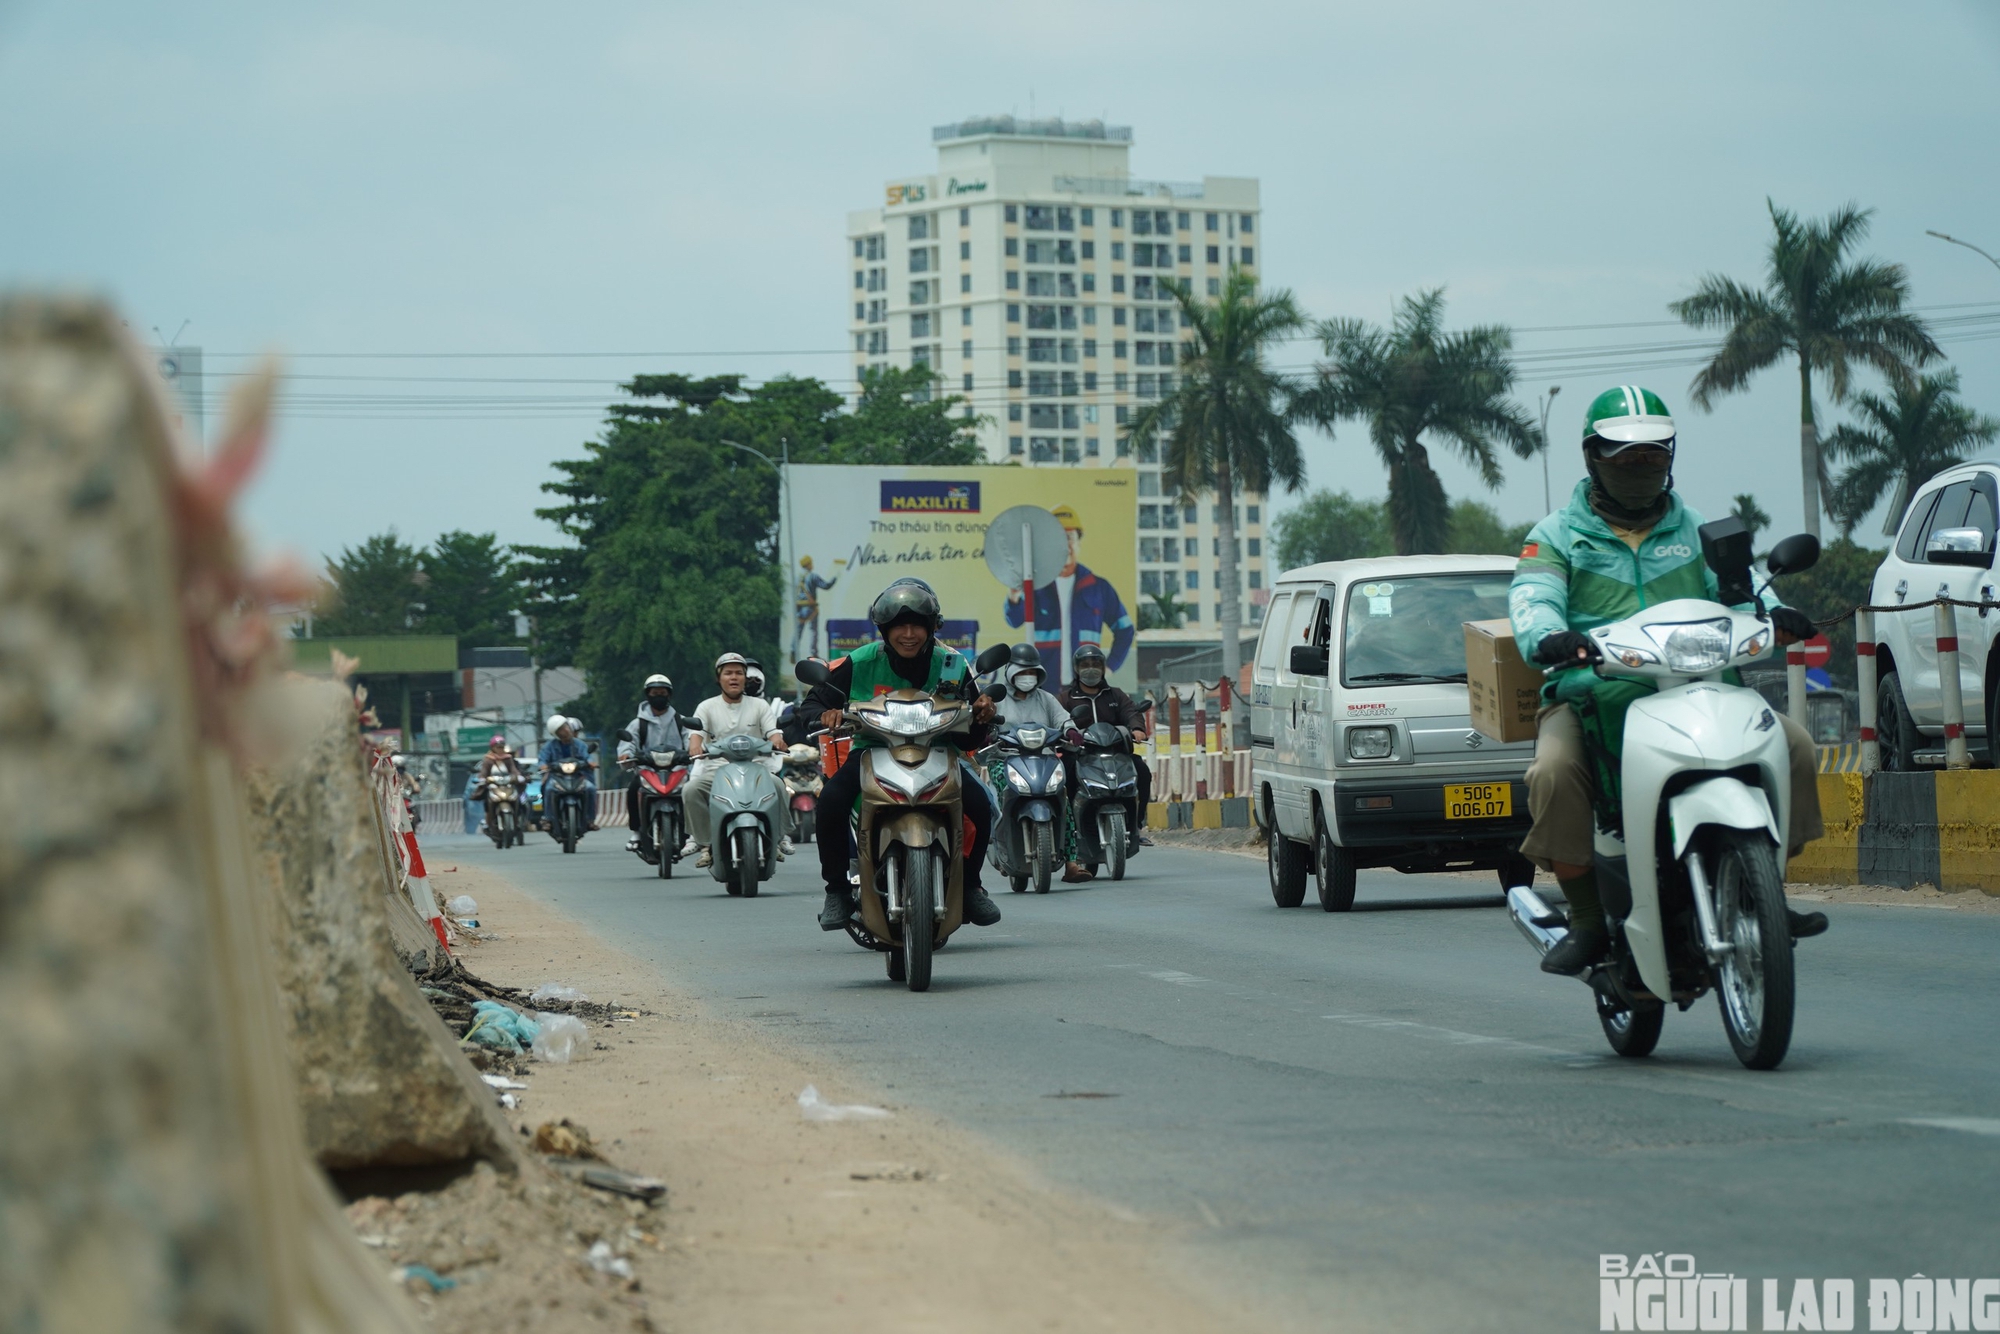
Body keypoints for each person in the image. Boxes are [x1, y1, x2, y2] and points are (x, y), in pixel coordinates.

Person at [1510, 385, 1830, 977]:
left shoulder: (1699, 528)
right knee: (1552, 775)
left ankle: (1766, 891)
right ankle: (1584, 921)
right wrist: (1550, 638)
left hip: (1703, 688)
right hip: (1592, 693)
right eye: (1625, 457)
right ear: (1592, 457)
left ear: (1670, 457)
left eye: (1652, 456)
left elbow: (1745, 591)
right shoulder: (1556, 535)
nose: (1640, 468)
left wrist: (1775, 615)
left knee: (1795, 747)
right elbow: (1532, 598)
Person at [804, 579, 1003, 932]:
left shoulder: (952, 664)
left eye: (917, 626)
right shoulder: (861, 660)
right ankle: (836, 890)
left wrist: (982, 709)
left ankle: (971, 884)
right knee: (830, 803)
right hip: (872, 751)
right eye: (899, 626)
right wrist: (826, 714)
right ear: (884, 630)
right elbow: (815, 702)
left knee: (981, 805)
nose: (908, 634)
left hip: (940, 751)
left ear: (930, 629)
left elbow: (973, 729)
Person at [1056, 642, 1157, 879]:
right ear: (1076, 668)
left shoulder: (1115, 695)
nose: (1090, 669)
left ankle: (1138, 822)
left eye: (1095, 664)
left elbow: (1131, 713)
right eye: (1085, 664)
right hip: (1079, 755)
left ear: (1102, 668)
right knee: (1064, 779)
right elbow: (1057, 719)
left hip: (1115, 753)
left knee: (1142, 772)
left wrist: (1137, 729)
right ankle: (1068, 831)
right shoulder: (1066, 698)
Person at [1003, 504, 1136, 682]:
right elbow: (1015, 620)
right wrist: (1014, 595)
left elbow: (1125, 630)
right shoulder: (1037, 585)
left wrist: (1110, 667)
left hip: (1084, 688)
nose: (1064, 544)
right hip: (1044, 686)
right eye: (1057, 537)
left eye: (1069, 537)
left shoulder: (1098, 588)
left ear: (1079, 542)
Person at [686, 653, 789, 869]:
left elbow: (773, 732)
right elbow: (696, 736)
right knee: (691, 790)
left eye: (739, 673)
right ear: (719, 678)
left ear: (745, 677)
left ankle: (779, 838)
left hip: (757, 769)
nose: (734, 678)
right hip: (717, 770)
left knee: (779, 785)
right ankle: (706, 843)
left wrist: (778, 742)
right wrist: (695, 746)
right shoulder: (706, 707)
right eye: (728, 673)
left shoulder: (760, 706)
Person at [617, 673, 688, 855]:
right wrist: (626, 755)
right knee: (633, 790)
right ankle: (636, 834)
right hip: (647, 771)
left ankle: (692, 832)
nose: (659, 696)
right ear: (648, 695)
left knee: (693, 791)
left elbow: (691, 741)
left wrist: (693, 752)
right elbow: (628, 743)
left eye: (662, 693)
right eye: (654, 692)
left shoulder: (680, 721)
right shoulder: (637, 723)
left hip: (677, 770)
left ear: (669, 695)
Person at [536, 715, 598, 827]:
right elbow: (542, 760)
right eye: (560, 729)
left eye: (566, 726)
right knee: (548, 789)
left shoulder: (580, 744)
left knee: (590, 788)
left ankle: (590, 820)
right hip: (557, 777)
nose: (565, 730)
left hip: (577, 776)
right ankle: (548, 819)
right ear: (555, 733)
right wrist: (543, 766)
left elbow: (587, 757)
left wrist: (590, 763)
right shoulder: (549, 746)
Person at [793, 554, 839, 661]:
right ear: (808, 564)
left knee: (798, 630)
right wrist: (835, 577)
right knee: (813, 630)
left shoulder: (797, 578)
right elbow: (826, 586)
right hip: (810, 607)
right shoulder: (812, 576)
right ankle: (814, 653)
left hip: (799, 606)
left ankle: (793, 650)